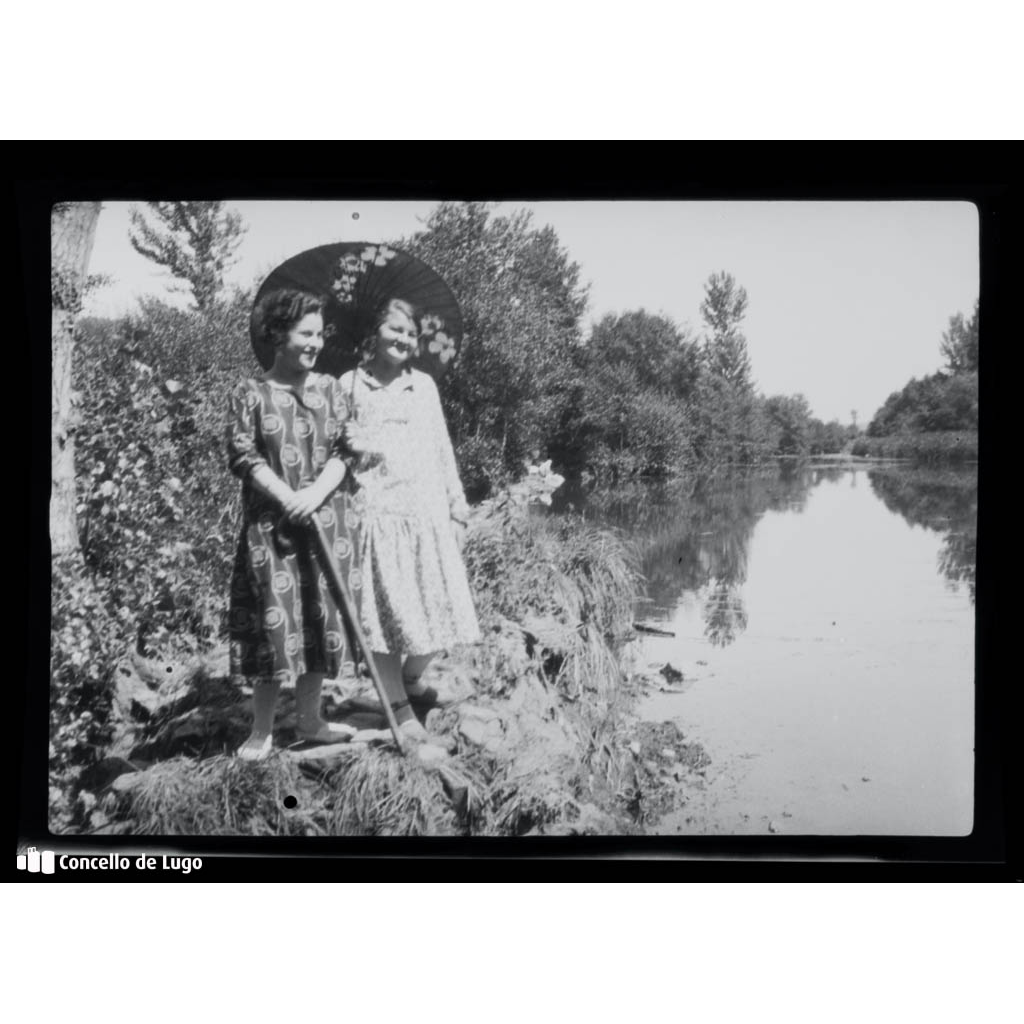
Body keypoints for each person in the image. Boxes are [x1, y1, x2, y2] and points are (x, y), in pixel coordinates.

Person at [339, 297, 480, 743]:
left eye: (410, 333)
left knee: (440, 609)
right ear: (374, 332)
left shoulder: (424, 386)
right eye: (394, 329)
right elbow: (332, 450)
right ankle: (399, 711)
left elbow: (441, 449)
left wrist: (457, 508)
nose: (403, 339)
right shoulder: (348, 384)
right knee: (385, 616)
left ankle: (411, 681)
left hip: (427, 515)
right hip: (375, 515)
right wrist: (351, 443)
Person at [227, 289, 358, 761]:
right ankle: (261, 730)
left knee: (320, 617)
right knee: (272, 622)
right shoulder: (251, 393)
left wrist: (315, 494)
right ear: (278, 335)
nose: (316, 343)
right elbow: (243, 457)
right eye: (307, 333)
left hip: (329, 522)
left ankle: (310, 719)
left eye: (320, 334)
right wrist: (288, 499)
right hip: (273, 530)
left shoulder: (331, 389)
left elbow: (347, 450)